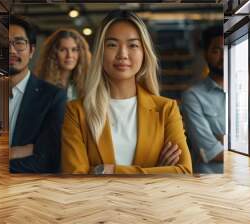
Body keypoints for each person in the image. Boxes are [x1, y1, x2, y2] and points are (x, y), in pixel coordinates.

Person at [61, 11, 192, 174]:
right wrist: (155, 171)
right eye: (112, 45)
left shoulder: (166, 109)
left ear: (144, 53)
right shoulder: (76, 112)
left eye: (133, 45)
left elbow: (184, 171)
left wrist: (107, 170)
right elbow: (76, 177)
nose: (122, 54)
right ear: (100, 52)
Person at [9, 16, 67, 173]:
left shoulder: (53, 97)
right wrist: (15, 153)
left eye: (19, 43)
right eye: (4, 43)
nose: (11, 50)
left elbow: (48, 161)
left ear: (32, 51)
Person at [180, 25, 225, 174]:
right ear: (205, 54)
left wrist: (221, 140)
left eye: (227, 49)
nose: (223, 57)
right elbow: (210, 152)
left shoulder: (247, 93)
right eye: (216, 50)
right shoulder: (192, 96)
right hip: (208, 183)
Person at [34, 29, 91, 101]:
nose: (69, 55)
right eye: (63, 50)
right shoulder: (40, 85)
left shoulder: (88, 84)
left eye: (74, 50)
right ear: (53, 53)